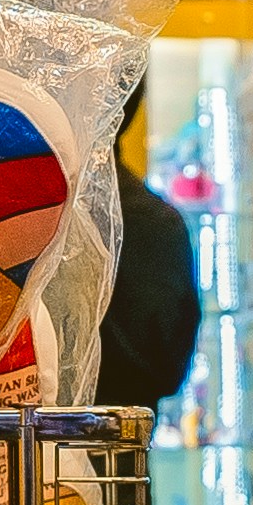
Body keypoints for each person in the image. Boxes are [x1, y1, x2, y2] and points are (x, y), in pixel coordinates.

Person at [95, 162, 204, 412]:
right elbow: (172, 361)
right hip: (127, 425)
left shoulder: (52, 209)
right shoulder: (161, 223)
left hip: (50, 421)